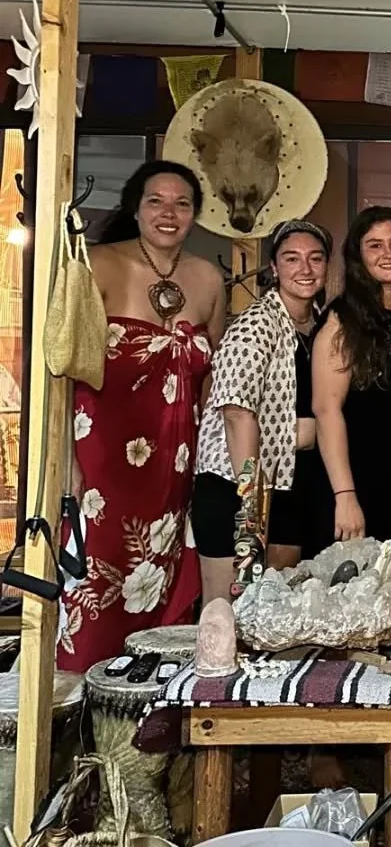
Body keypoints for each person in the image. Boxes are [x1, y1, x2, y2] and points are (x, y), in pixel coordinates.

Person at [57, 160, 226, 671]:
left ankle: (145, 726)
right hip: (104, 462)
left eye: (182, 203)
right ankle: (79, 724)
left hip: (174, 467)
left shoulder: (207, 278)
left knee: (163, 594)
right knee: (92, 589)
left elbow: (216, 378)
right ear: (136, 208)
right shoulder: (99, 263)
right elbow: (61, 368)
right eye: (156, 201)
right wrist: (65, 458)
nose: (168, 213)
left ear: (195, 214)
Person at [192, 220, 331, 602]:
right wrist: (250, 505)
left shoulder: (320, 327)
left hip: (291, 482)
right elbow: (237, 413)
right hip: (238, 485)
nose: (305, 269)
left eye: (315, 259)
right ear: (274, 268)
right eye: (292, 259)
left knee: (275, 612)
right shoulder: (255, 325)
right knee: (229, 613)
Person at [311, 207, 391, 557]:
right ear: (358, 256)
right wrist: (345, 496)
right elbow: (326, 409)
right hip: (354, 483)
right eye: (374, 245)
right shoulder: (341, 318)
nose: (388, 254)